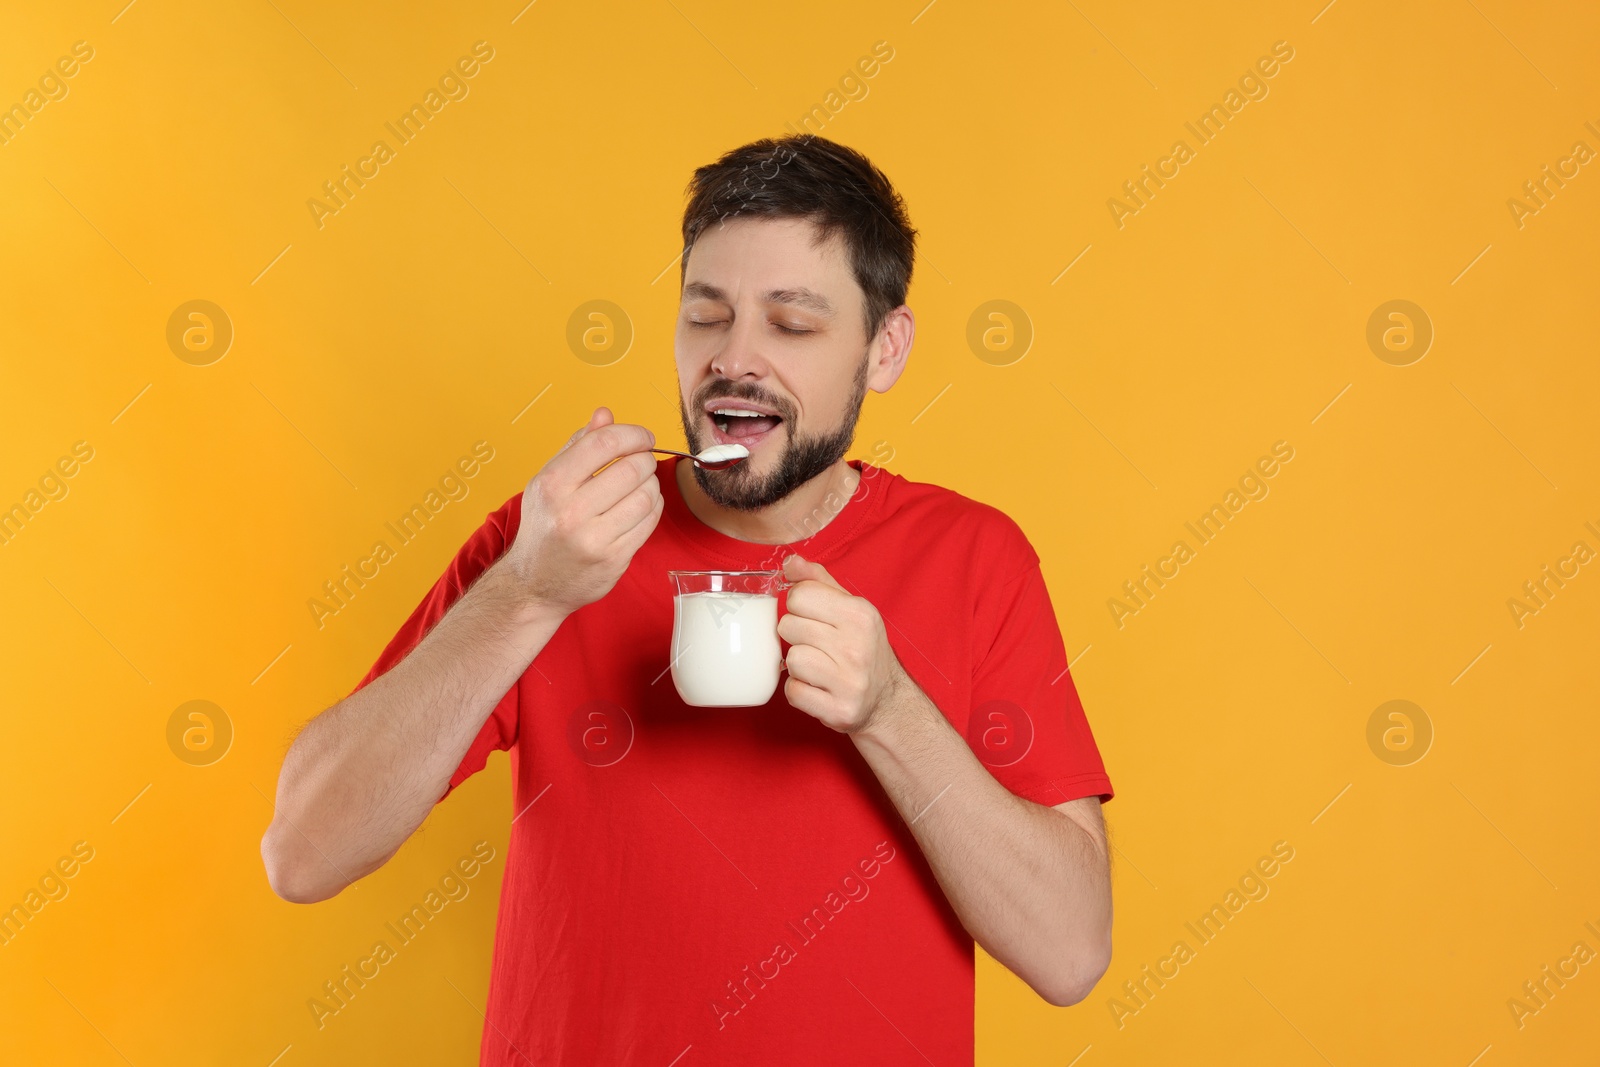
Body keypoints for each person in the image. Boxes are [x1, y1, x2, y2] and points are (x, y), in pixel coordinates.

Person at [261, 134, 1115, 1065]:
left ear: (885, 348)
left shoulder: (974, 558)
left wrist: (891, 712)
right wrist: (528, 593)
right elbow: (302, 852)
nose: (734, 360)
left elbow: (1070, 952)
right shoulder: (561, 535)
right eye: (707, 316)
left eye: (791, 325)